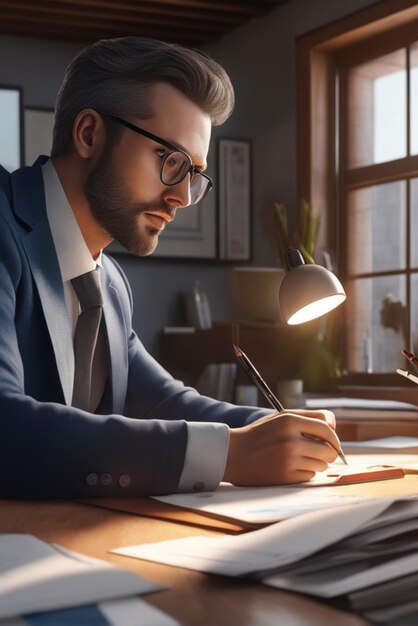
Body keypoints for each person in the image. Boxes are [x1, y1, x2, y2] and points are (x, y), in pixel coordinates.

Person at [0, 37, 341, 499]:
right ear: (89, 134)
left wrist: (275, 427)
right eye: (170, 160)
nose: (182, 197)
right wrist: (228, 455)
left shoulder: (111, 285)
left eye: (194, 174)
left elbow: (162, 401)